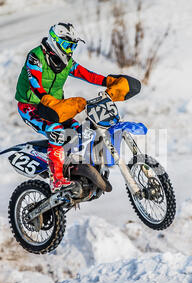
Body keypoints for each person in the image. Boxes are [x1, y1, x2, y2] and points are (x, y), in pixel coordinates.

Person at [15, 22, 139, 192]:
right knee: (56, 132)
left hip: (55, 107)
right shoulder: (36, 57)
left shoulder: (67, 62)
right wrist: (47, 100)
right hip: (31, 106)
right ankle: (57, 179)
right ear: (54, 41)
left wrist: (108, 81)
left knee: (81, 130)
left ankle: (74, 168)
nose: (69, 50)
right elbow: (35, 83)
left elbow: (85, 73)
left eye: (72, 46)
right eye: (66, 45)